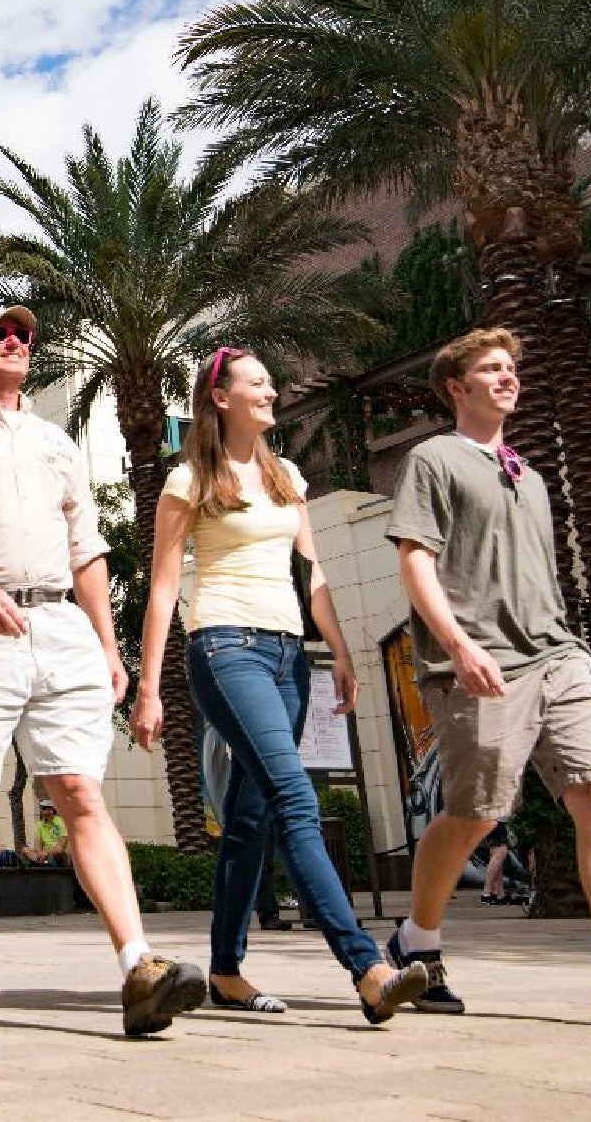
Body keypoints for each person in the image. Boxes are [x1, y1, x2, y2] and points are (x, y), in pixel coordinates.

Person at [386, 327, 591, 1030]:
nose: (508, 378)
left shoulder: (528, 473)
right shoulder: (434, 459)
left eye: (512, 367)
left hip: (559, 658)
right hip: (479, 663)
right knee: (475, 813)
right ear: (458, 387)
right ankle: (416, 939)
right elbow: (416, 560)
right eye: (491, 369)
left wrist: (574, 646)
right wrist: (458, 644)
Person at [0, 303, 202, 1037]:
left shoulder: (56, 442)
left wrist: (106, 645)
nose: (14, 342)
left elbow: (85, 547)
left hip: (60, 624)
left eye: (24, 334)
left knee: (80, 792)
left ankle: (138, 965)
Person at [140, 345, 429, 1023]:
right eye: (257, 383)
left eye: (271, 382)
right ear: (221, 398)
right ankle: (367, 967)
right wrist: (150, 687)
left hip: (286, 655)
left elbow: (313, 572)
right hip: (223, 648)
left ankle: (226, 970)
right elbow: (162, 586)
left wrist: (343, 653)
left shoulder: (286, 474)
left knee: (250, 818)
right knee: (295, 799)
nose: (272, 392)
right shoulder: (189, 480)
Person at [22, 800, 69, 865]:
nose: (42, 811)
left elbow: (60, 847)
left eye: (44, 809)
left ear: (52, 810)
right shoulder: (40, 824)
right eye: (42, 809)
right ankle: (40, 861)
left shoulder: (61, 822)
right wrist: (40, 853)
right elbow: (38, 844)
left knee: (57, 853)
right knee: (25, 849)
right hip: (43, 853)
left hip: (56, 853)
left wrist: (46, 852)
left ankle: (40, 861)